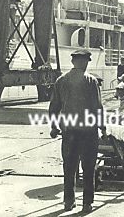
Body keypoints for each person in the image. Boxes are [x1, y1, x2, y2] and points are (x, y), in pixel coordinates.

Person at [49, 49, 105, 213]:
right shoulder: (91, 81)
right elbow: (98, 108)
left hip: (69, 131)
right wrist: (103, 127)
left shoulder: (61, 81)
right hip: (88, 131)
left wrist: (53, 126)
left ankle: (68, 202)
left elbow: (53, 107)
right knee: (88, 168)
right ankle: (87, 203)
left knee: (69, 168)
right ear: (86, 62)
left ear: (73, 62)